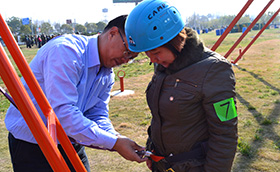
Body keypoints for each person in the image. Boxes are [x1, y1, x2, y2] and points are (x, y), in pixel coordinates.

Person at [5, 15, 146, 172]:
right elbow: (63, 113)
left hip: (70, 141)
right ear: (112, 33)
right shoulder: (66, 51)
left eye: (132, 58)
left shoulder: (107, 74)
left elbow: (97, 113)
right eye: (127, 51)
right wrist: (114, 143)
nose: (126, 60)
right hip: (34, 144)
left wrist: (117, 138)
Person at [125, 0, 238, 171]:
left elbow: (225, 134)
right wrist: (152, 149)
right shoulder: (164, 65)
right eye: (147, 53)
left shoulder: (215, 70)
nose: (152, 60)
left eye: (155, 53)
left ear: (176, 42)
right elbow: (160, 116)